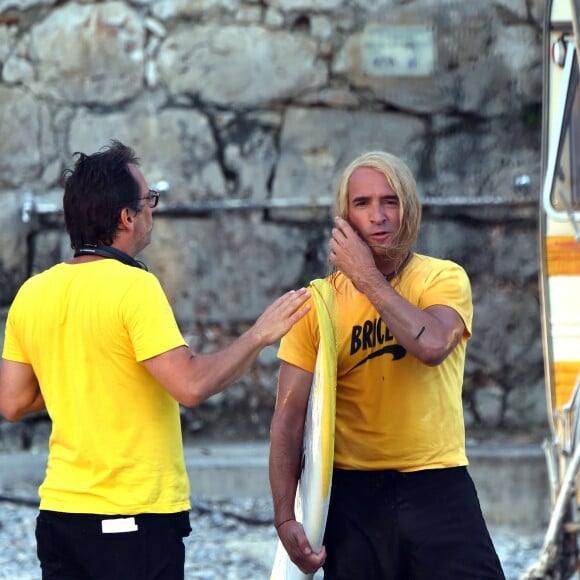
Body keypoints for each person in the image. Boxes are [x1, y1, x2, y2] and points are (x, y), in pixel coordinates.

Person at [0, 140, 310, 580]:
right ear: (126, 217)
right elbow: (191, 385)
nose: (153, 212)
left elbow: (13, 402)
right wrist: (260, 334)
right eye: (149, 202)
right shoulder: (134, 287)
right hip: (134, 517)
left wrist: (90, 374)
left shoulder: (33, 292)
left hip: (61, 514)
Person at [269, 151, 505, 579]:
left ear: (409, 207)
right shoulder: (318, 302)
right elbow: (288, 417)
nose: (378, 216)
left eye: (390, 201)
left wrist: (367, 279)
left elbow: (433, 345)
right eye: (362, 204)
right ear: (345, 216)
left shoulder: (441, 278)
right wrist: (286, 517)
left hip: (437, 483)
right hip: (354, 495)